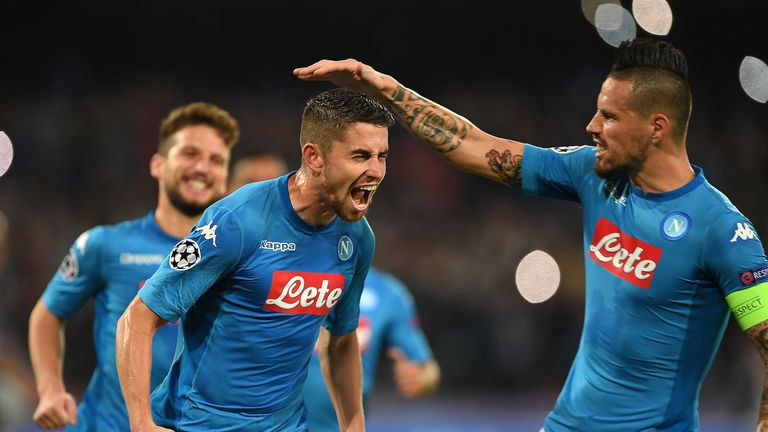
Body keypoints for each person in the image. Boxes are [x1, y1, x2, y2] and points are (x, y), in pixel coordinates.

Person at [294, 39, 768, 431]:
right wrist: (386, 89)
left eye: (609, 116)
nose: (592, 126)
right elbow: (477, 147)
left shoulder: (723, 231)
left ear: (657, 128)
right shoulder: (593, 174)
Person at [115, 88, 395, 432]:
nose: (376, 170)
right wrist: (141, 424)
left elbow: (341, 340)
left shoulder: (357, 238)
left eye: (382, 156)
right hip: (197, 424)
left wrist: (354, 426)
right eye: (361, 156)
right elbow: (138, 318)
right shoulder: (238, 221)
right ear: (314, 157)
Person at [28, 102, 240, 431]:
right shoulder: (106, 245)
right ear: (157, 164)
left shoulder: (241, 259)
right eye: (189, 154)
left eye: (216, 160)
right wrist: (50, 389)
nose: (202, 168)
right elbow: (47, 313)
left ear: (226, 176)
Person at [227, 153, 441, 431]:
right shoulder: (224, 277)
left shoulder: (387, 293)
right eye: (250, 185)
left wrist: (422, 379)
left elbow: (426, 368)